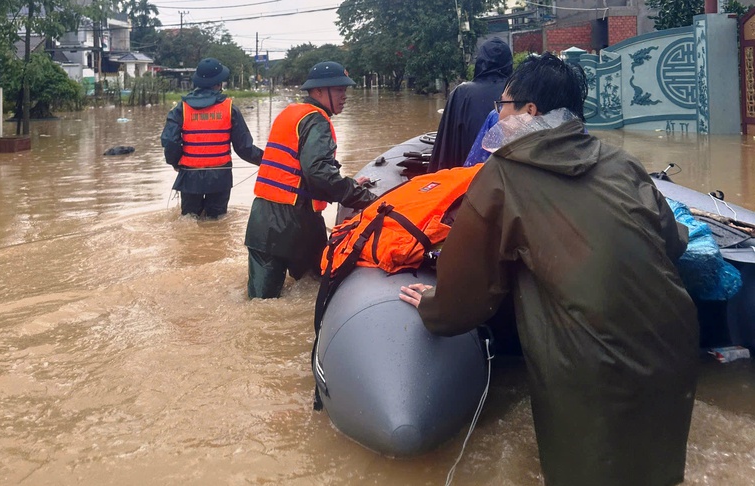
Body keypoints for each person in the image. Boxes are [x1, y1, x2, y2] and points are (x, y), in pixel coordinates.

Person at [400, 53, 699, 486]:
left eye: (503, 106)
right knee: (657, 471)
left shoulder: (501, 175)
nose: (498, 115)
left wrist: (432, 306)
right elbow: (672, 243)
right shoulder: (622, 162)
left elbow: (467, 297)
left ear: (529, 110)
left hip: (591, 365)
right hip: (674, 345)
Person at [244, 61, 377, 299]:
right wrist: (365, 198)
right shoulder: (317, 121)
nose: (344, 96)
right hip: (297, 221)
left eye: (345, 90)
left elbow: (304, 168)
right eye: (339, 89)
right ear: (318, 91)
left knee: (259, 302)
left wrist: (349, 183)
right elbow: (319, 174)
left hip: (261, 221)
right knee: (315, 289)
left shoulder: (291, 113)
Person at [161, 57, 264, 219]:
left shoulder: (181, 108)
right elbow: (244, 148)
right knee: (216, 222)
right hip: (220, 177)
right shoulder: (230, 109)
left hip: (190, 176)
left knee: (189, 220)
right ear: (219, 83)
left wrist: (174, 162)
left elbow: (170, 141)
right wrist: (266, 161)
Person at [427, 37, 513, 173]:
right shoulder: (520, 94)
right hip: (507, 175)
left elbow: (445, 146)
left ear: (480, 62)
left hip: (466, 177)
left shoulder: (462, 93)